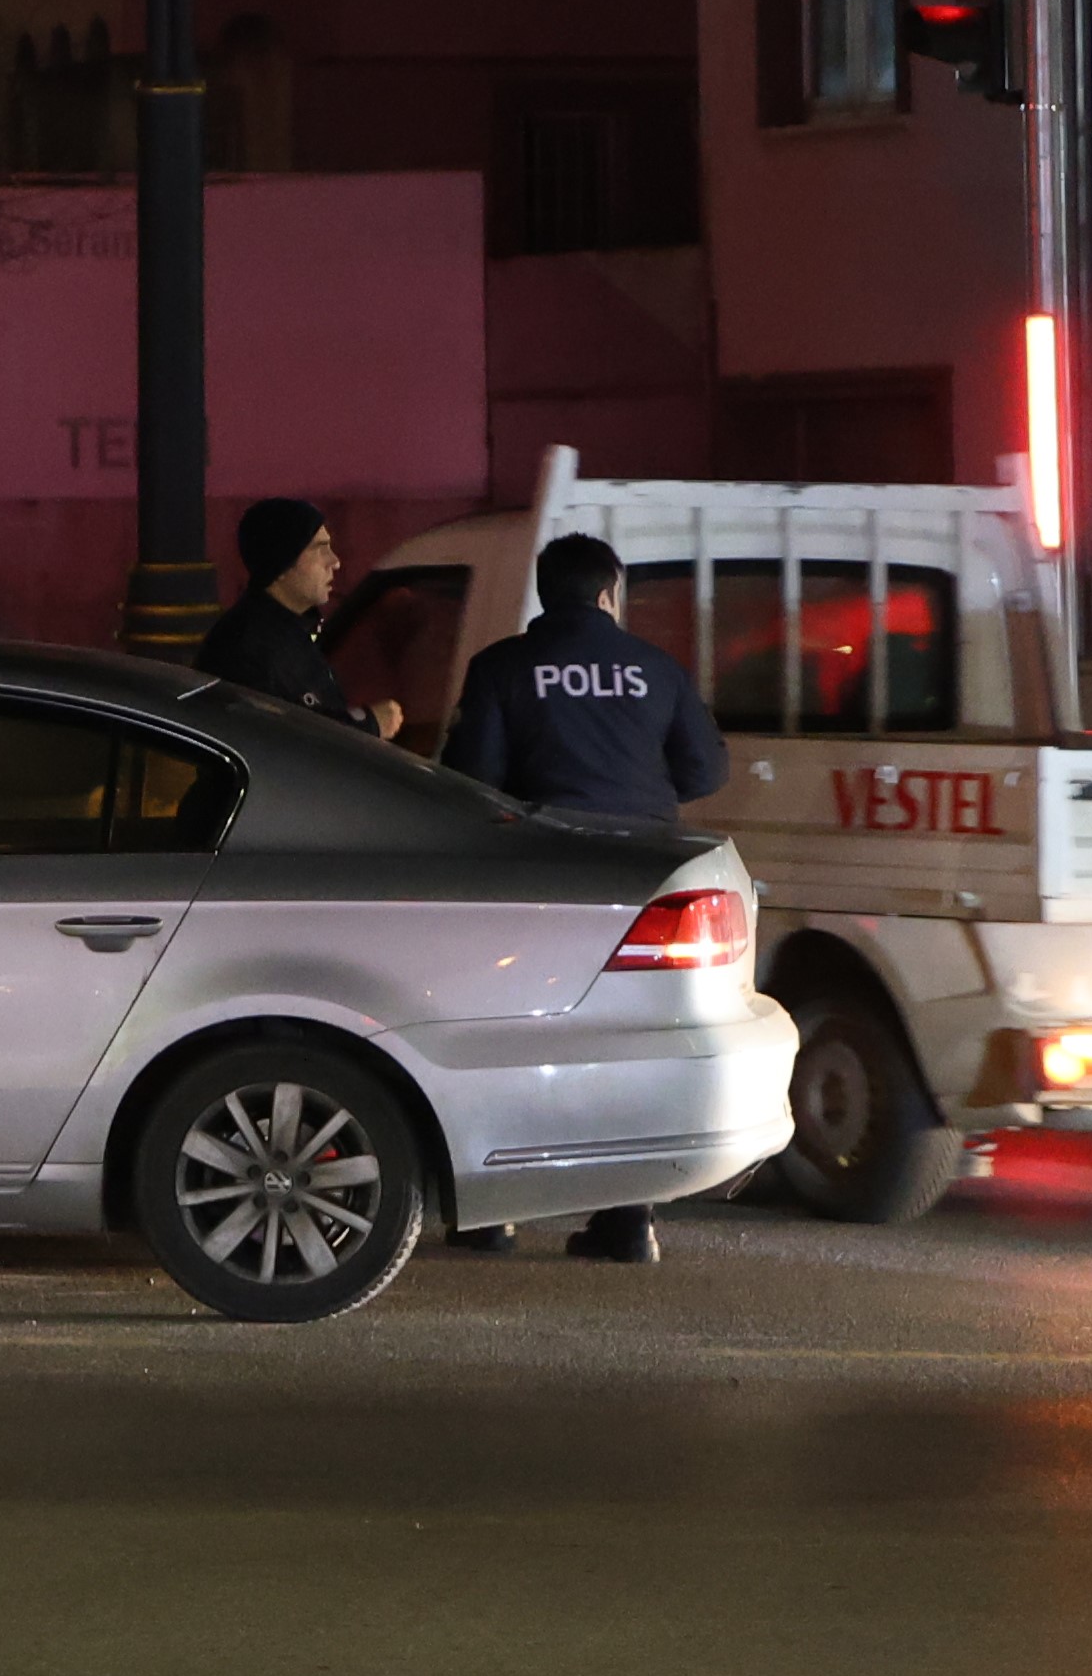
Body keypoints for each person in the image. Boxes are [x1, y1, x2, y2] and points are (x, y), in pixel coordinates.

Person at [438, 528, 727, 1268]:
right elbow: (704, 769)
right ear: (609, 595)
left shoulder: (501, 667)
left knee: (508, 1036)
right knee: (627, 1042)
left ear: (544, 592)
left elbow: (471, 780)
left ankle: (492, 1214)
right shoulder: (655, 669)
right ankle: (629, 1221)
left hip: (537, 882)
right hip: (641, 883)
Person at [196, 495, 398, 742]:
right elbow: (292, 743)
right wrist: (369, 725)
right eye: (319, 549)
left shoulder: (291, 631)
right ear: (281, 563)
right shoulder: (249, 648)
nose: (334, 562)